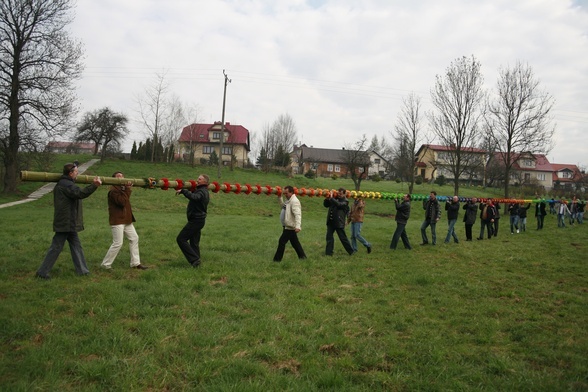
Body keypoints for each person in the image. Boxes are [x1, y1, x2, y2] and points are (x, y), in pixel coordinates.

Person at [36, 163, 102, 279]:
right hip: (66, 222)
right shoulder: (67, 185)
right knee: (56, 247)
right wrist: (94, 185)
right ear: (71, 173)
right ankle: (42, 272)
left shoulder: (64, 183)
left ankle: (82, 271)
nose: (78, 174)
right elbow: (80, 193)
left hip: (68, 221)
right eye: (76, 172)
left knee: (76, 245)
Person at [101, 171, 147, 270]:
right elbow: (122, 202)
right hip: (118, 220)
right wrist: (128, 189)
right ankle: (105, 264)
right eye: (118, 176)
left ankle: (135, 263)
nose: (121, 178)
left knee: (134, 238)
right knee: (118, 243)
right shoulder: (113, 190)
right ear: (113, 179)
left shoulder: (122, 188)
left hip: (126, 220)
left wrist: (126, 189)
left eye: (122, 176)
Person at [176, 174, 210, 267]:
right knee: (194, 242)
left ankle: (194, 259)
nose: (197, 180)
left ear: (205, 182)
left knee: (181, 239)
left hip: (196, 221)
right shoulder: (203, 191)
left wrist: (184, 191)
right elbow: (195, 195)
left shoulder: (202, 192)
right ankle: (196, 263)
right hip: (199, 220)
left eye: (199, 179)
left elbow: (195, 197)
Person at [273, 185, 307, 262]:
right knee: (295, 243)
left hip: (290, 226)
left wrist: (298, 226)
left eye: (286, 193)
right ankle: (303, 257)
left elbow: (298, 214)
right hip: (287, 225)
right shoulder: (288, 200)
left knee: (282, 241)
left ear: (291, 192)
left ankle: (277, 260)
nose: (285, 195)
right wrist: (279, 198)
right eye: (284, 193)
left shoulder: (294, 201)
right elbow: (283, 207)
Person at [323, 187, 354, 256]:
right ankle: (328, 253)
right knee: (329, 237)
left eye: (341, 194)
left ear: (344, 194)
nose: (339, 195)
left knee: (343, 238)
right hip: (331, 221)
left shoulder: (345, 201)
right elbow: (326, 205)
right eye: (338, 193)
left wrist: (331, 198)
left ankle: (351, 251)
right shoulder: (334, 198)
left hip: (338, 222)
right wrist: (327, 198)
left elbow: (339, 204)